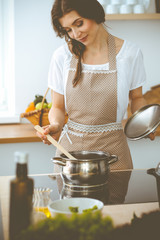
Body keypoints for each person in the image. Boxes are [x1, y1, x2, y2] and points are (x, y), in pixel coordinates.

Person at [37, 0, 155, 174]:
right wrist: (55, 125)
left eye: (79, 23)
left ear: (94, 13)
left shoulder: (130, 53)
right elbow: (58, 106)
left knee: (114, 201)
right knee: (72, 203)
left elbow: (136, 97)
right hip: (71, 155)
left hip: (115, 154)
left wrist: (146, 123)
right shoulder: (61, 56)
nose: (76, 34)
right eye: (68, 30)